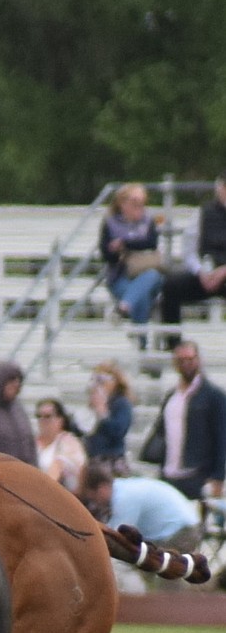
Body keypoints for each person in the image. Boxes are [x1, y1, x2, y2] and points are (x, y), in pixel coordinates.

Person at [138, 339, 226, 501]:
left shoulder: (213, 396)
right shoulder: (172, 397)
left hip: (197, 474)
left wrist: (218, 477)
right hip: (168, 474)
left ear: (198, 360)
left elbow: (221, 438)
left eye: (190, 359)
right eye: (180, 360)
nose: (186, 364)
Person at [79, 462, 203, 553]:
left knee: (167, 578)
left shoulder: (124, 498)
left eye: (93, 498)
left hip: (181, 531)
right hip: (178, 528)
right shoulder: (123, 488)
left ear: (102, 489)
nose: (95, 503)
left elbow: (117, 539)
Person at [160, 174, 226, 343]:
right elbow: (189, 252)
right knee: (171, 286)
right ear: (219, 188)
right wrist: (200, 272)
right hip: (206, 274)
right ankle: (174, 347)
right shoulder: (203, 213)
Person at [98, 182, 163, 327]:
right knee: (141, 297)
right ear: (122, 203)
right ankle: (142, 343)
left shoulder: (148, 221)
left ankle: (123, 307)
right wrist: (114, 251)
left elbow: (151, 244)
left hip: (146, 271)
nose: (139, 207)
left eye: (142, 202)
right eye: (135, 202)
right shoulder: (110, 223)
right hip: (121, 275)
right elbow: (106, 255)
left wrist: (124, 244)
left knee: (152, 275)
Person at [84, 360, 133, 473]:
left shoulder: (121, 403)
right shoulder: (92, 406)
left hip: (111, 459)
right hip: (93, 459)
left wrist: (103, 414)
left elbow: (118, 431)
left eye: (102, 380)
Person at [35, 398, 87, 491]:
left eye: (47, 416)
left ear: (60, 420)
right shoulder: (33, 443)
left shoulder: (69, 442)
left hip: (59, 492)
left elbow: (59, 465)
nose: (42, 420)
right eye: (39, 416)